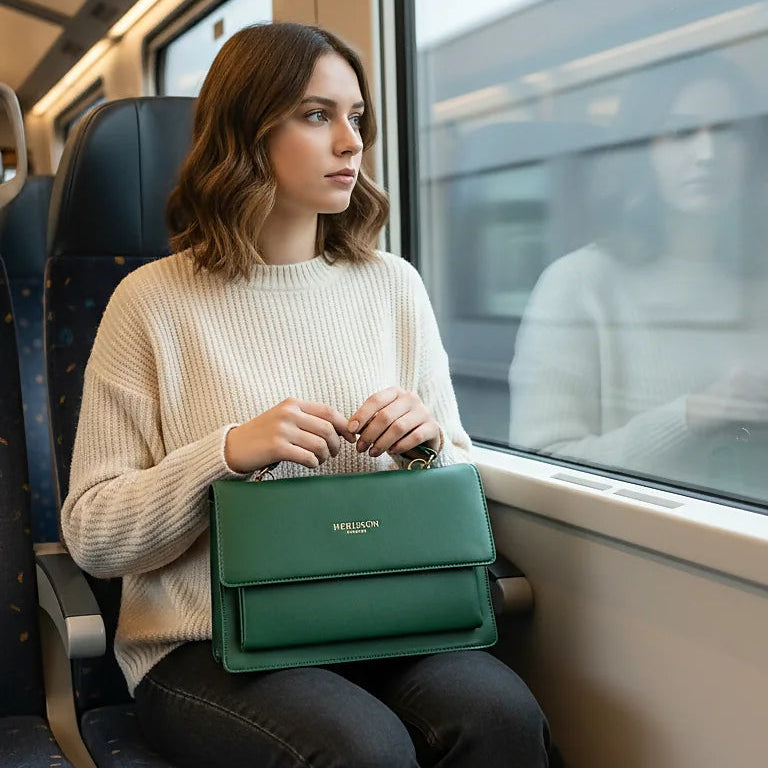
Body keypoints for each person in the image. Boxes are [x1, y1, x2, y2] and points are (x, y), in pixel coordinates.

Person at [61, 22, 551, 768]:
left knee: (503, 715)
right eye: (317, 115)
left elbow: (461, 476)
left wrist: (429, 446)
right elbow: (93, 535)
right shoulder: (150, 303)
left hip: (385, 617)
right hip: (206, 646)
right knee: (362, 750)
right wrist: (223, 455)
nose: (352, 141)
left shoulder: (394, 286)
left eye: (356, 117)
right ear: (244, 131)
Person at [509, 54, 768, 502]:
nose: (707, 153)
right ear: (643, 150)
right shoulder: (579, 284)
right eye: (681, 132)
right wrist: (692, 415)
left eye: (728, 132)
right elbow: (543, 465)